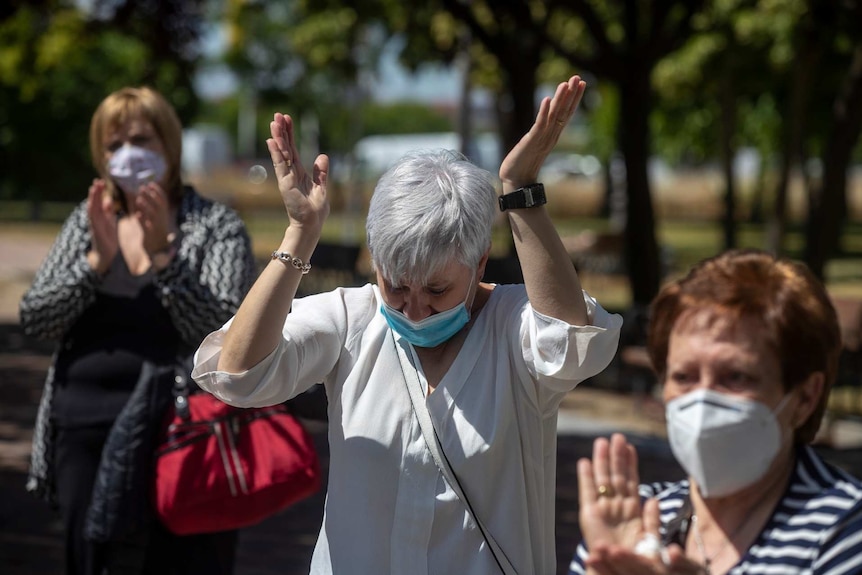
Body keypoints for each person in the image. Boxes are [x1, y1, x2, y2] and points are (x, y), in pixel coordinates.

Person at [191, 75, 622, 574]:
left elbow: (573, 344)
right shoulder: (351, 317)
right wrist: (300, 235)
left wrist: (520, 189)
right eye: (395, 285)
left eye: (437, 291)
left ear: (480, 264)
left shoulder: (514, 327)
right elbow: (238, 374)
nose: (414, 309)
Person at [19, 86, 257, 575]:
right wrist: (96, 263)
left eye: (142, 138)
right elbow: (36, 318)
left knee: (187, 559)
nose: (128, 154)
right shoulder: (89, 223)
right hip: (84, 427)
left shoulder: (214, 225)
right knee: (93, 558)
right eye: (114, 145)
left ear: (168, 145)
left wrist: (165, 261)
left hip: (183, 428)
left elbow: (225, 333)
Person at [568, 249, 862, 575]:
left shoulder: (844, 528)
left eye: (736, 377)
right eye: (684, 377)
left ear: (805, 397)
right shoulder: (634, 518)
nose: (702, 400)